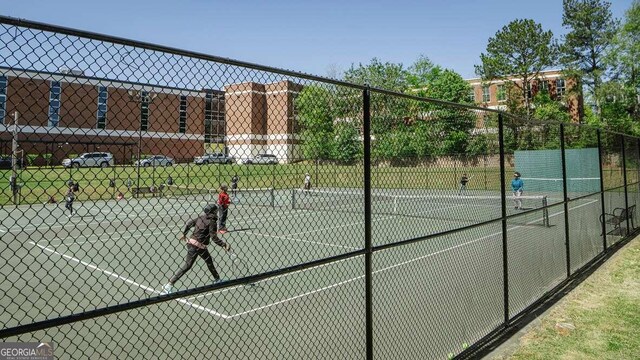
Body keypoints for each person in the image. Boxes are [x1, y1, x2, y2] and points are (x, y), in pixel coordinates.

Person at [161, 204, 231, 294]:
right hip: (197, 246)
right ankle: (169, 284)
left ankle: (217, 279)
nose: (217, 212)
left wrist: (184, 233)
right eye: (216, 211)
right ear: (213, 212)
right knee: (188, 265)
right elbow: (214, 237)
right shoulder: (212, 222)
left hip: (195, 244)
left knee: (209, 260)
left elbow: (189, 223)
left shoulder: (201, 217)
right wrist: (224, 244)